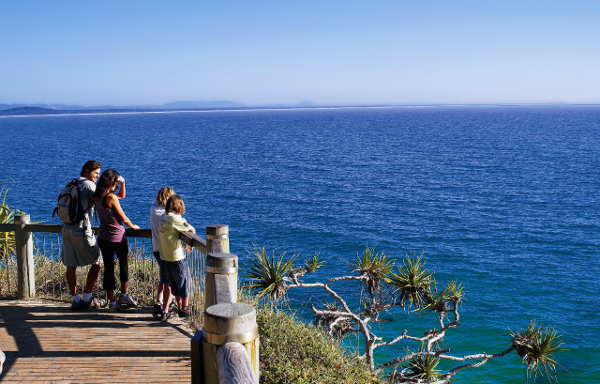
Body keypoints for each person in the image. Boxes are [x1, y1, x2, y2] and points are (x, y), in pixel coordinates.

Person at [93, 169, 140, 311]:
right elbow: (124, 218)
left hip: (103, 237)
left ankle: (111, 300)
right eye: (116, 183)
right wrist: (133, 226)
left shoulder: (97, 196)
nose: (117, 186)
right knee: (123, 265)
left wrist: (123, 183)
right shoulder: (111, 198)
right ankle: (124, 294)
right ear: (112, 182)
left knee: (109, 269)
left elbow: (122, 196)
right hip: (118, 237)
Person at [61, 160, 103, 310]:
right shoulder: (89, 185)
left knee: (71, 265)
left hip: (66, 229)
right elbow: (102, 203)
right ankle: (87, 296)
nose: (97, 176)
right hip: (82, 229)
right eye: (96, 173)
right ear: (87, 171)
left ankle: (75, 298)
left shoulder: (71, 183)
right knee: (98, 262)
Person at [158, 195, 195, 321]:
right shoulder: (175, 219)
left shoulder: (164, 217)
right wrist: (189, 243)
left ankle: (167, 310)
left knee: (170, 284)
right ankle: (184, 308)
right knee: (184, 283)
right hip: (176, 257)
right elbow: (190, 229)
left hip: (164, 257)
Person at [149, 186, 175, 319]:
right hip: (167, 251)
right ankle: (165, 308)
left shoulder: (153, 209)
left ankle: (158, 302)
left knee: (164, 277)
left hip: (156, 248)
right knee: (169, 281)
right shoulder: (167, 215)